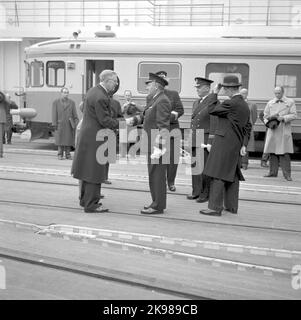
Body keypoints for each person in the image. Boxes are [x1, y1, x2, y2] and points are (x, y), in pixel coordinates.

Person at [200, 75, 251, 216]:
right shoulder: (244, 105)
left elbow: (211, 109)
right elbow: (248, 126)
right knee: (232, 175)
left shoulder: (232, 103)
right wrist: (244, 144)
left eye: (224, 88)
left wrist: (214, 93)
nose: (223, 91)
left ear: (229, 89)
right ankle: (231, 206)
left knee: (218, 173)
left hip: (224, 143)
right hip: (235, 143)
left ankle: (214, 208)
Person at [71, 70, 121, 213]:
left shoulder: (93, 91)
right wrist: (126, 123)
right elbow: (105, 120)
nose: (116, 84)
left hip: (88, 136)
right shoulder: (101, 97)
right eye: (115, 81)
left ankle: (84, 200)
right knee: (94, 172)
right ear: (108, 80)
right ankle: (91, 205)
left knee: (87, 170)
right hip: (96, 138)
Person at [130, 73, 171, 214]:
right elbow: (147, 116)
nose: (147, 87)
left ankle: (158, 206)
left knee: (158, 176)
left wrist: (159, 148)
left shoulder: (162, 100)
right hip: (150, 143)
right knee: (153, 175)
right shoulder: (154, 99)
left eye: (149, 84)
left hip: (156, 146)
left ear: (156, 86)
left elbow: (163, 126)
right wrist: (134, 120)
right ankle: (155, 202)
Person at [187, 77, 217, 203]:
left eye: (199, 87)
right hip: (196, 137)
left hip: (204, 137)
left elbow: (215, 123)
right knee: (195, 167)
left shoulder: (213, 102)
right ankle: (196, 191)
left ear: (207, 88)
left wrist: (210, 142)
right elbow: (193, 121)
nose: (197, 90)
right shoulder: (196, 102)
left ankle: (205, 194)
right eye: (197, 87)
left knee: (204, 168)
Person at [154, 71, 184, 192]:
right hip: (158, 132)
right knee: (159, 158)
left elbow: (180, 110)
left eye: (163, 78)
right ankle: (159, 181)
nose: (162, 81)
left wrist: (166, 117)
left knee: (173, 159)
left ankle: (171, 182)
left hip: (172, 131)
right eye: (159, 79)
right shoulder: (152, 96)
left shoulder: (173, 94)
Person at [263, 86, 297, 181]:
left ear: (283, 92)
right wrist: (268, 123)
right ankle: (272, 172)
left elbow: (294, 115)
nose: (277, 95)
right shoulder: (270, 102)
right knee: (272, 152)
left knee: (284, 153)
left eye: (278, 93)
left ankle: (287, 175)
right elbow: (265, 116)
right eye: (275, 93)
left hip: (283, 130)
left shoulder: (290, 102)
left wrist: (283, 118)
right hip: (273, 130)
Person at [52, 87, 79, 160]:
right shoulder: (56, 102)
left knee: (68, 140)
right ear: (61, 93)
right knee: (60, 140)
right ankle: (60, 154)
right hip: (59, 124)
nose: (66, 94)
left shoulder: (72, 102)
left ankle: (68, 155)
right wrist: (54, 124)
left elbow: (75, 114)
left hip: (69, 124)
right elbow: (54, 114)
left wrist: (75, 123)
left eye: (67, 92)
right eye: (64, 92)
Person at [104, 94, 124, 184]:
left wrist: (117, 126)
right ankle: (102, 177)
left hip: (110, 132)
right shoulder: (99, 100)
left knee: (107, 157)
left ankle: (104, 177)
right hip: (103, 132)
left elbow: (120, 117)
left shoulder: (116, 103)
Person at [120, 90, 144, 158]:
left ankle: (132, 155)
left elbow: (142, 110)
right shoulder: (122, 103)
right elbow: (119, 113)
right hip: (123, 124)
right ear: (124, 96)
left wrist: (135, 104)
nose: (128, 97)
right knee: (123, 140)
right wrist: (123, 106)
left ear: (131, 96)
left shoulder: (134, 104)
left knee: (133, 140)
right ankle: (123, 155)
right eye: (126, 95)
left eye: (129, 95)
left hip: (132, 123)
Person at [240, 88, 258, 170]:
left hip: (248, 126)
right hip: (239, 126)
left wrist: (250, 123)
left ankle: (245, 163)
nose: (243, 95)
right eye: (241, 93)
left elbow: (254, 117)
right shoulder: (238, 103)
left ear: (247, 94)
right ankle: (238, 163)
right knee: (238, 144)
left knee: (247, 144)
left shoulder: (252, 104)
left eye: (244, 93)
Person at [0, 91, 7, 158]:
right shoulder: (3, 99)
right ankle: (0, 153)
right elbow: (4, 98)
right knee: (0, 138)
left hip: (1, 119)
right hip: (1, 118)